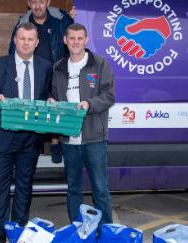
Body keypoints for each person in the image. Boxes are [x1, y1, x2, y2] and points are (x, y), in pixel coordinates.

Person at [0, 22, 52, 243]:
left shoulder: (45, 66)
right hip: (3, 137)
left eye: (30, 39)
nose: (26, 42)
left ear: (37, 42)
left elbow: (48, 92)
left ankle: (19, 231)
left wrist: (51, 99)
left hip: (31, 138)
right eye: (22, 38)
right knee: (0, 187)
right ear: (15, 39)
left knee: (24, 185)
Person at [50, 23, 115, 227]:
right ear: (65, 40)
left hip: (94, 137)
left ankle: (106, 232)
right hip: (69, 138)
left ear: (86, 40)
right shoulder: (58, 67)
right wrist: (52, 101)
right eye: (72, 38)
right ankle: (77, 229)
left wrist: (89, 104)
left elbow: (109, 95)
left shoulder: (99, 64)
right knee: (74, 188)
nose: (75, 42)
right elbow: (53, 92)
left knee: (100, 188)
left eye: (80, 38)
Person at [9, 0, 73, 163]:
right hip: (33, 73)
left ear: (48, 2)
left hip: (58, 70)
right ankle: (34, 144)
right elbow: (11, 50)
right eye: (34, 2)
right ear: (29, 4)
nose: (38, 6)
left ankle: (54, 142)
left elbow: (75, 36)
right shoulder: (22, 23)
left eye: (41, 2)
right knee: (36, 107)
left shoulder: (61, 18)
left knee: (55, 105)